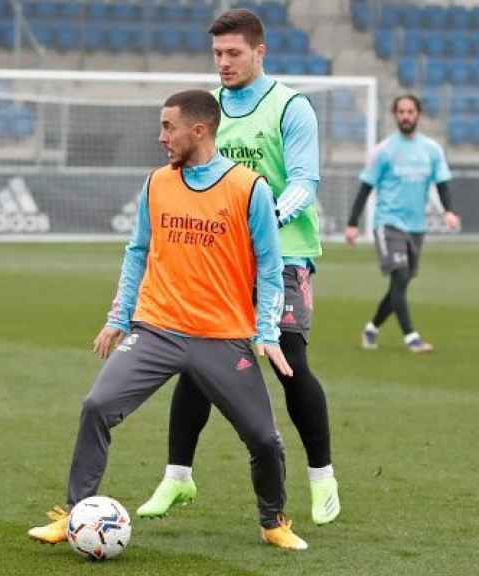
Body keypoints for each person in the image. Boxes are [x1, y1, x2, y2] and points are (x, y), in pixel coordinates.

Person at [27, 89, 308, 550]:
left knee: (264, 439)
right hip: (157, 329)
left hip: (222, 337)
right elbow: (137, 252)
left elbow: (271, 266)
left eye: (167, 127)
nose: (161, 137)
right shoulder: (157, 183)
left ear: (198, 130)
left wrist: (266, 331)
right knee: (97, 406)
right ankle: (77, 513)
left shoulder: (249, 188)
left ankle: (273, 521)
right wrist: (120, 317)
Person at [137, 8, 340, 526]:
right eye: (217, 54)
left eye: (233, 53)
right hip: (221, 259)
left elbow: (304, 182)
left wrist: (266, 217)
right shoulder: (208, 110)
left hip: (285, 253)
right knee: (196, 361)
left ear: (259, 52)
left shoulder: (290, 107)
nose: (224, 63)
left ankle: (322, 477)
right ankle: (177, 478)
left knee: (288, 359)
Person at [344, 94, 460, 353]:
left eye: (410, 111)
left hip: (416, 226)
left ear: (418, 114)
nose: (406, 116)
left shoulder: (432, 149)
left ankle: (372, 328)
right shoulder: (384, 151)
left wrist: (449, 211)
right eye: (401, 112)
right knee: (399, 276)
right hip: (388, 223)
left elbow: (442, 184)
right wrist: (352, 223)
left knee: (401, 283)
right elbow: (365, 188)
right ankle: (411, 337)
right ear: (395, 115)